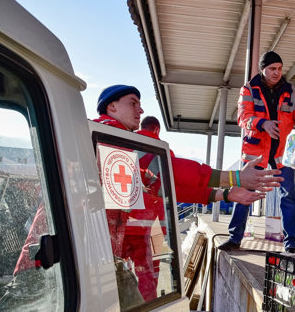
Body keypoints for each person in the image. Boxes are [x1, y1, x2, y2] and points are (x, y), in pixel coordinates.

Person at [92, 84, 284, 303]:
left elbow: (164, 187)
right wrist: (234, 178)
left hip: (112, 243)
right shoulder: (110, 134)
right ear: (112, 107)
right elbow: (168, 169)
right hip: (101, 246)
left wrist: (225, 194)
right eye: (133, 103)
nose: (141, 110)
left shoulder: (118, 143)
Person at [218, 51, 295, 253]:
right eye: (272, 69)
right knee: (244, 194)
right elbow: (244, 116)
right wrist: (263, 124)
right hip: (256, 153)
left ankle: (292, 243)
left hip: (282, 154)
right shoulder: (249, 89)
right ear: (263, 69)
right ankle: (235, 238)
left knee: (288, 196)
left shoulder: (291, 91)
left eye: (279, 68)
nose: (277, 72)